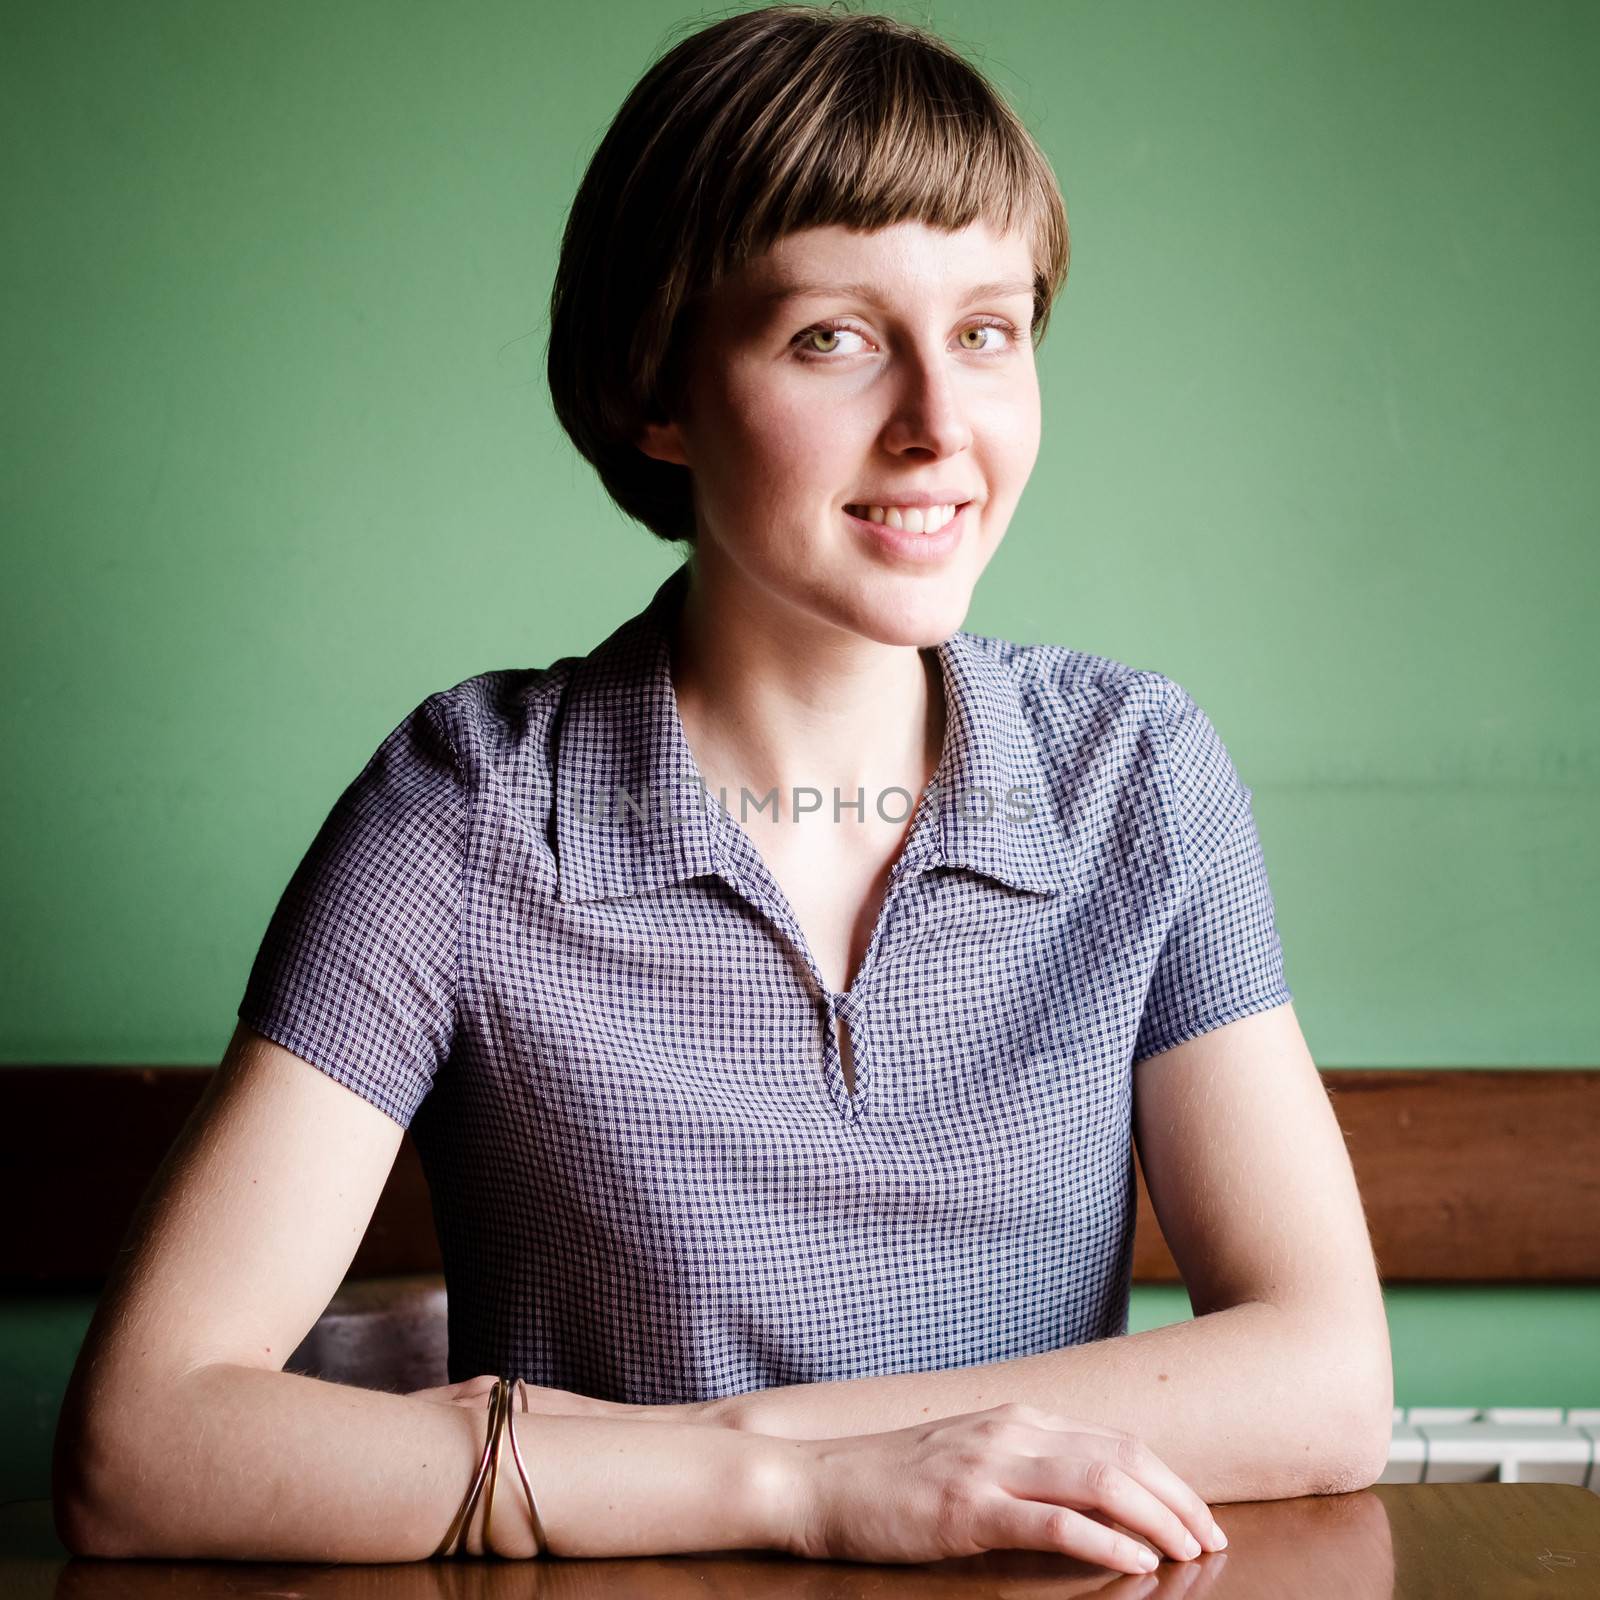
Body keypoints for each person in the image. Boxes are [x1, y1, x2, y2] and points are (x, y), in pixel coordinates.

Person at [51, 2, 1391, 1574]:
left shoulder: (1137, 774)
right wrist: (793, 1482)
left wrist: (622, 1453)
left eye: (987, 329)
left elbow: (1328, 1381)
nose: (940, 427)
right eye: (835, 335)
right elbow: (138, 1449)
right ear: (657, 391)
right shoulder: (467, 810)